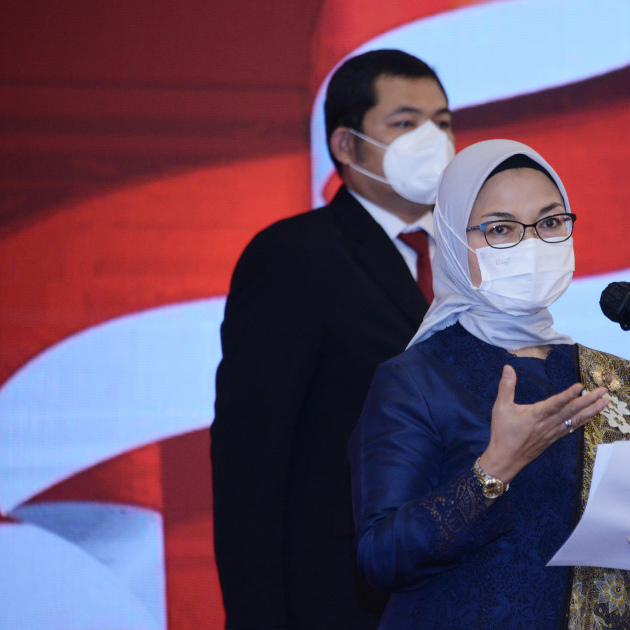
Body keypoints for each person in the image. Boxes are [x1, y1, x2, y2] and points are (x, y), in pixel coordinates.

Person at [348, 139, 630, 628]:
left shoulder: (611, 381)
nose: (532, 244)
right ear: (454, 242)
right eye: (501, 229)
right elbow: (380, 558)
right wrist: (495, 468)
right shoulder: (416, 380)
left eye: (549, 223)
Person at [211, 49, 454, 630]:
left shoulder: (473, 258)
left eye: (443, 123)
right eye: (405, 122)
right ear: (346, 145)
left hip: (461, 588)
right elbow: (251, 461)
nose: (433, 140)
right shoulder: (293, 257)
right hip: (341, 598)